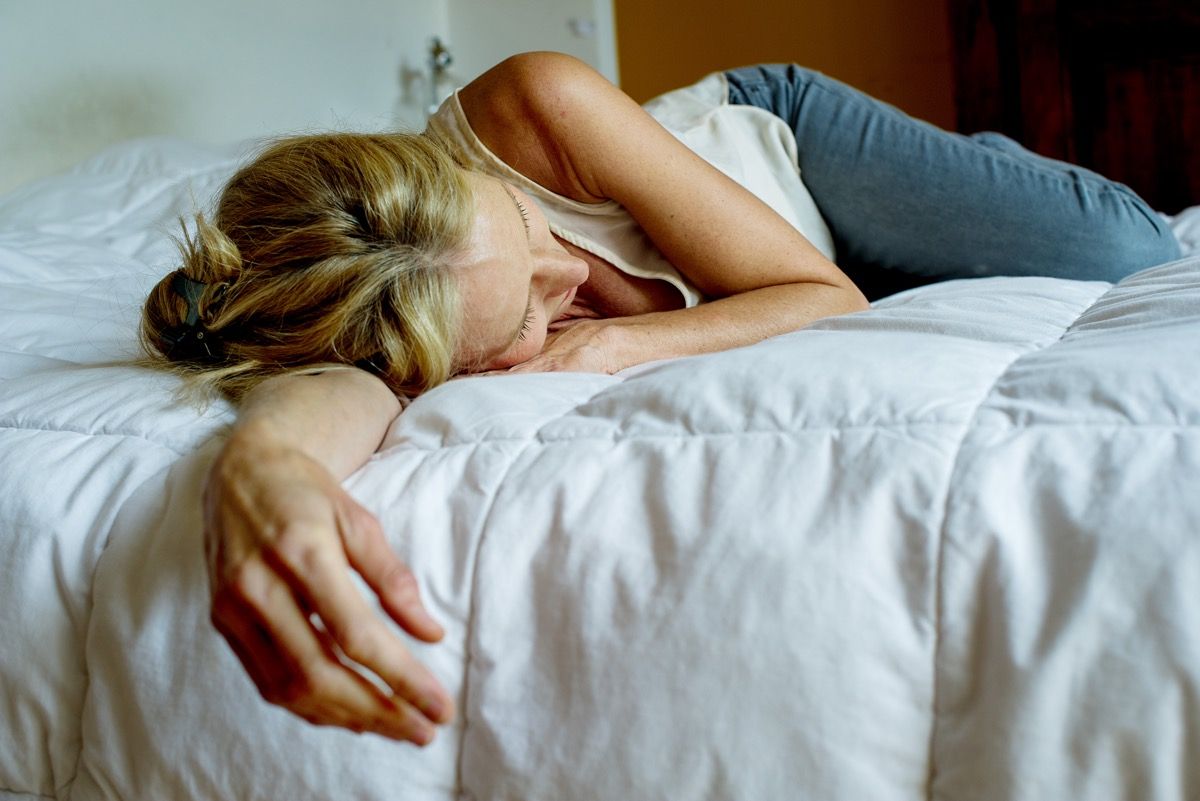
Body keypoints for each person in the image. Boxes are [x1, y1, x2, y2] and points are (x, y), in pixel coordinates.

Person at [140, 52, 1181, 746]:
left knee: (1121, 249)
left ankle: (960, 181)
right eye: (526, 322)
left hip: (787, 160)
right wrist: (266, 465)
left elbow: (827, 298)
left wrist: (607, 347)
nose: (571, 285)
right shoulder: (396, 320)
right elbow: (329, 395)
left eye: (538, 239)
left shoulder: (539, 105)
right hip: (787, 265)